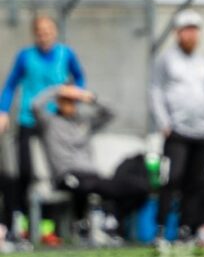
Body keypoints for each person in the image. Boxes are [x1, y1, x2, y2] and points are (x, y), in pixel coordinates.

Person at [0, 14, 85, 242]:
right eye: (40, 32)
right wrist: (3, 111)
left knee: (59, 169)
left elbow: (79, 78)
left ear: (54, 32)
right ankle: (18, 219)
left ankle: (60, 222)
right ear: (34, 34)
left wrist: (75, 97)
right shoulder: (25, 56)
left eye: (48, 31)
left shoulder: (66, 54)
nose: (44, 36)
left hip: (54, 121)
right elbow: (10, 85)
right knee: (24, 170)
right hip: (29, 118)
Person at [149, 10, 204, 250]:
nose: (191, 35)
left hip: (203, 132)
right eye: (186, 30)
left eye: (195, 30)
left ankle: (186, 229)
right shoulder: (166, 60)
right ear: (178, 33)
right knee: (172, 178)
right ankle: (162, 229)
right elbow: (156, 90)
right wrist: (164, 123)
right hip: (177, 132)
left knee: (195, 182)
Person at [35, 83, 148, 240]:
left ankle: (112, 220)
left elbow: (111, 113)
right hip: (66, 175)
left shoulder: (83, 121)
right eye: (66, 100)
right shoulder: (50, 122)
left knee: (139, 187)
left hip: (91, 175)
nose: (70, 104)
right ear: (59, 102)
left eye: (72, 101)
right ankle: (82, 226)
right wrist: (59, 90)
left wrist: (90, 98)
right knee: (83, 185)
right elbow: (35, 106)